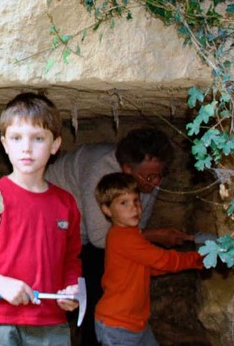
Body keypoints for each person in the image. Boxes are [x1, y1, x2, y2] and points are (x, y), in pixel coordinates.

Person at [0, 92, 82, 346]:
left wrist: (71, 290)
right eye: (17, 138)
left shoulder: (66, 203)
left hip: (51, 323)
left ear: (55, 145)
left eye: (38, 138)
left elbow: (71, 259)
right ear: (4, 144)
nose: (27, 148)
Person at [44, 127, 193, 345]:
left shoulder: (150, 179)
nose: (155, 182)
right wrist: (155, 236)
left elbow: (132, 230)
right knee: (81, 287)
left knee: (107, 275)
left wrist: (147, 238)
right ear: (127, 170)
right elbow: (101, 238)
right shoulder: (101, 175)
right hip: (53, 221)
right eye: (150, 176)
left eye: (160, 175)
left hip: (89, 230)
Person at [93, 172, 203, 346]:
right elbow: (165, 260)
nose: (134, 207)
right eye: (124, 203)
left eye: (136, 200)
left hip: (135, 323)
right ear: (107, 209)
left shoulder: (129, 234)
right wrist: (200, 259)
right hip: (118, 326)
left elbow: (147, 267)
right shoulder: (124, 238)